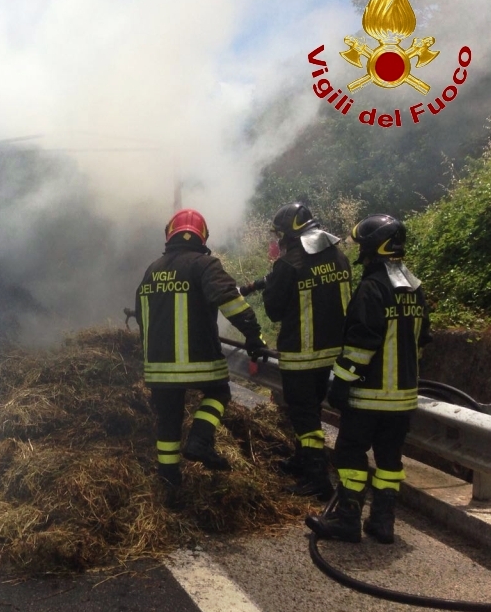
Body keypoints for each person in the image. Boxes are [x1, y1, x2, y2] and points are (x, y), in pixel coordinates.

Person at [306, 214, 431, 543]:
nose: (360, 251)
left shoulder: (372, 288)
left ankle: (347, 519)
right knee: (389, 460)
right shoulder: (415, 288)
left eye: (363, 245)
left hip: (368, 396)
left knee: (349, 454)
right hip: (403, 399)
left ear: (374, 247)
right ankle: (382, 522)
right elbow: (421, 340)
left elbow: (361, 343)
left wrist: (341, 381)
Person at [135, 208, 267, 506]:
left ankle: (169, 483)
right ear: (202, 236)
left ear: (170, 234)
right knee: (219, 392)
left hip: (158, 367)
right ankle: (200, 439)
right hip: (199, 362)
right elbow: (230, 300)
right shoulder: (205, 264)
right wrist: (253, 334)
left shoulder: (152, 270)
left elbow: (143, 317)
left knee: (168, 422)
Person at [241, 203, 352, 500]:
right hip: (334, 352)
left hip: (302, 355)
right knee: (312, 409)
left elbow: (275, 311)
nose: (279, 239)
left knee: (304, 418)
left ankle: (317, 479)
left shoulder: (289, 264)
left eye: (280, 234)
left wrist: (270, 286)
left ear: (290, 233)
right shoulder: (338, 256)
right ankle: (302, 461)